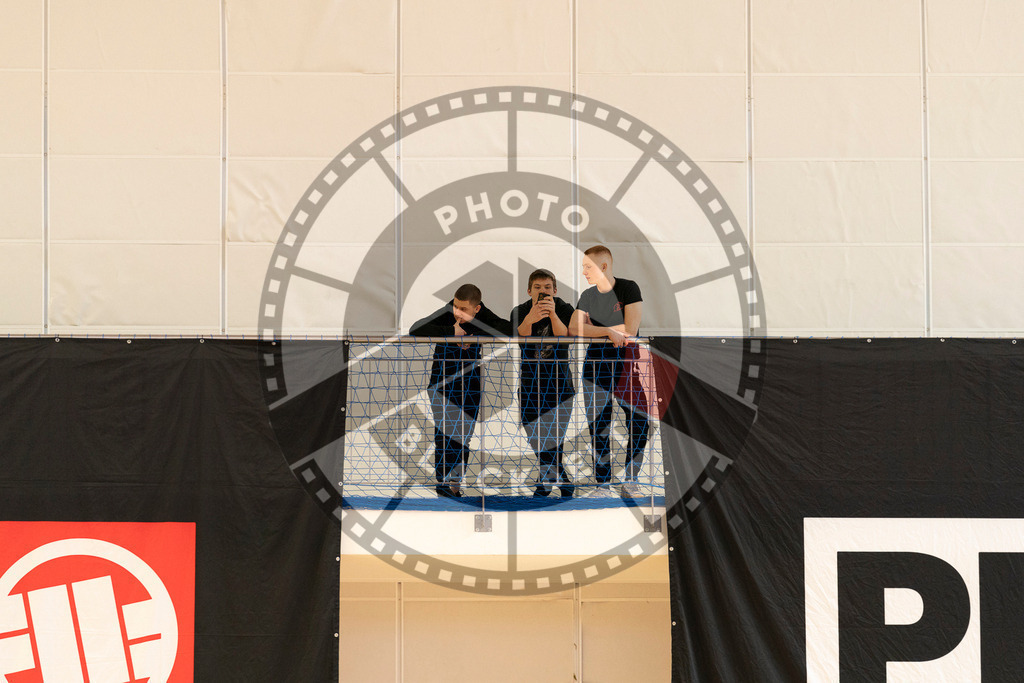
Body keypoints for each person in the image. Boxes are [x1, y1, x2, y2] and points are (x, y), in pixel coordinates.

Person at [410, 284, 512, 498]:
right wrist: (451, 332)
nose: (458, 312)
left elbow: (508, 329)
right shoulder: (449, 312)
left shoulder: (483, 316)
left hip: (470, 386)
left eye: (464, 309)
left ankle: (455, 486)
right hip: (441, 385)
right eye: (456, 306)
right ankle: (443, 485)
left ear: (477, 309)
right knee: (444, 436)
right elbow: (416, 328)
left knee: (463, 438)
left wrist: (476, 331)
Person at [569, 245, 649, 498]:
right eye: (583, 267)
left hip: (628, 367)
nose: (583, 272)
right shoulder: (588, 295)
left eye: (588, 267)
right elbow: (573, 328)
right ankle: (602, 484)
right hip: (595, 367)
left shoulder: (628, 288)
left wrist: (594, 327)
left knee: (639, 422)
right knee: (598, 425)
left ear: (603, 267)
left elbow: (631, 329)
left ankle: (631, 480)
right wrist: (607, 331)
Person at [510, 269, 576, 498]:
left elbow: (565, 338)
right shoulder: (519, 311)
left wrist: (553, 315)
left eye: (547, 287)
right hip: (530, 383)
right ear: (529, 291)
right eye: (537, 288)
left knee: (554, 436)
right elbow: (521, 339)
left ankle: (546, 482)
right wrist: (532, 317)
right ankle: (561, 478)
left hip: (560, 382)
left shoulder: (566, 309)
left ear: (555, 290)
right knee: (534, 433)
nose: (542, 292)